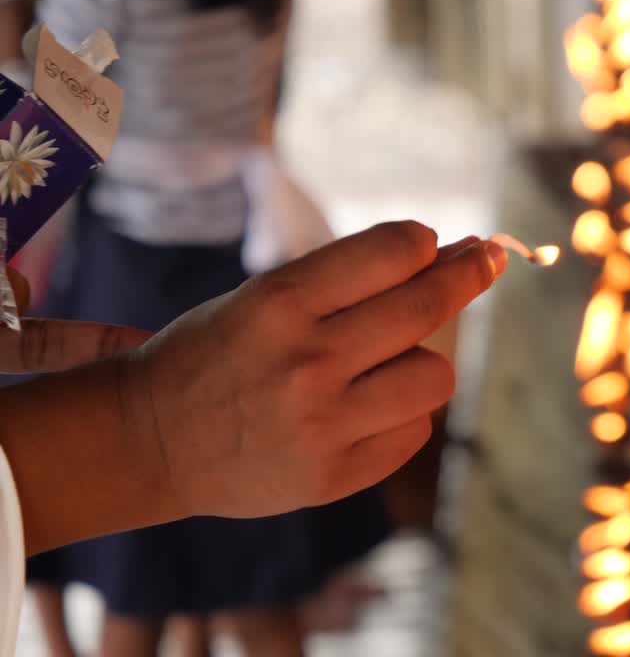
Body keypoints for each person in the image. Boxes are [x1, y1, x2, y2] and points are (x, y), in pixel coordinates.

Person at [15, 0, 407, 654]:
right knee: (255, 559)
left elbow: (47, 139)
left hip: (128, 269)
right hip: (238, 256)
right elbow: (264, 111)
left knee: (137, 560)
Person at [0, 224, 508, 656]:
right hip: (129, 275)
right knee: (153, 595)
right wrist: (152, 438)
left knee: (216, 588)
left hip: (192, 275)